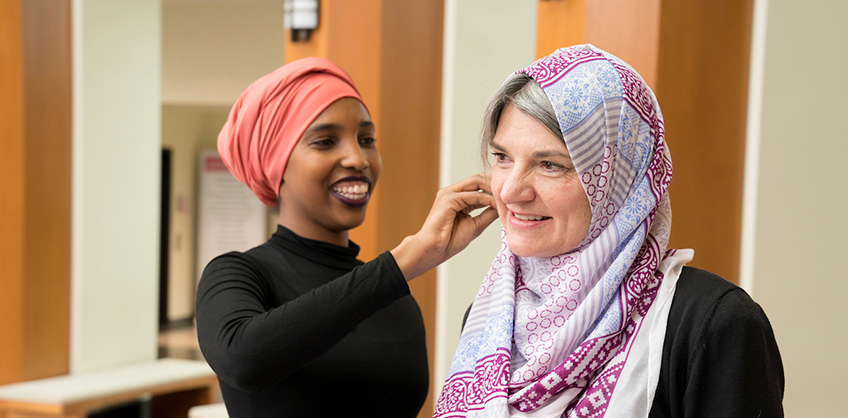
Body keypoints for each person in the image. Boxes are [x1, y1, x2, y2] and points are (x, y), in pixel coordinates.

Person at [434, 44, 784, 418]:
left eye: (550, 165)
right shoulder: (490, 321)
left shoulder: (712, 325)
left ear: (618, 181)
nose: (509, 190)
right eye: (502, 157)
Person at [196, 57, 498, 418]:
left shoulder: (394, 299)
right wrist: (411, 257)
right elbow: (243, 361)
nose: (358, 158)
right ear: (276, 164)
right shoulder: (240, 273)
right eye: (325, 142)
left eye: (366, 139)